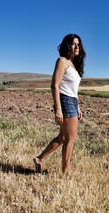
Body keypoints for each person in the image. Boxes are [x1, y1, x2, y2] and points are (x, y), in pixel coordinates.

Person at [33, 34, 86, 174]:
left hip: (72, 101)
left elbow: (73, 90)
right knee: (71, 138)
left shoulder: (73, 65)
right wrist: (58, 109)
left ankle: (39, 159)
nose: (77, 47)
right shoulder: (62, 61)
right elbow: (55, 86)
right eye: (74, 44)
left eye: (78, 44)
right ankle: (66, 169)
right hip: (65, 101)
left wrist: (78, 106)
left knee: (62, 137)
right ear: (67, 46)